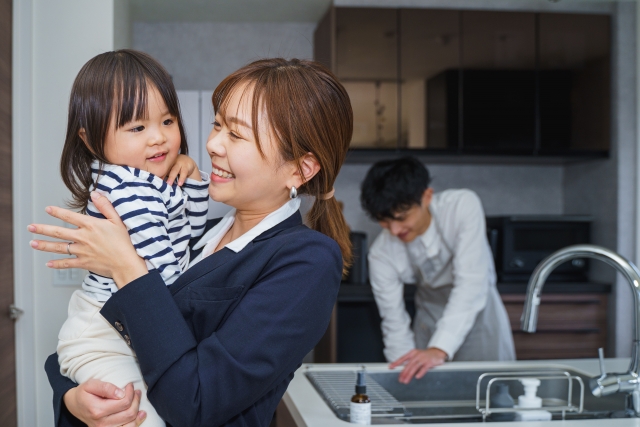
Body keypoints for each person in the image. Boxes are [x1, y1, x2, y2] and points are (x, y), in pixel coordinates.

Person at [30, 57, 352, 427]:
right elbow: (91, 343)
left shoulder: (307, 260)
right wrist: (72, 399)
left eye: (236, 134)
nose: (213, 144)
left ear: (299, 168)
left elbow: (196, 404)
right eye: (217, 125)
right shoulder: (194, 228)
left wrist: (126, 267)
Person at [56, 49, 210, 427]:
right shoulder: (129, 192)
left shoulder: (146, 179)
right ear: (90, 139)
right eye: (137, 128)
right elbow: (161, 281)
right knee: (141, 420)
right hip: (103, 334)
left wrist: (190, 179)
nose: (159, 138)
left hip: (122, 327)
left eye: (168, 121)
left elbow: (190, 232)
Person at [360, 156, 515, 384]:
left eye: (402, 218)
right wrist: (402, 371)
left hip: (478, 319)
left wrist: (439, 348)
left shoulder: (462, 206)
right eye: (384, 222)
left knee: (492, 397)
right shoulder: (381, 254)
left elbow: (471, 283)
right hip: (428, 322)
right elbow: (393, 320)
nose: (394, 230)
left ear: (426, 196)